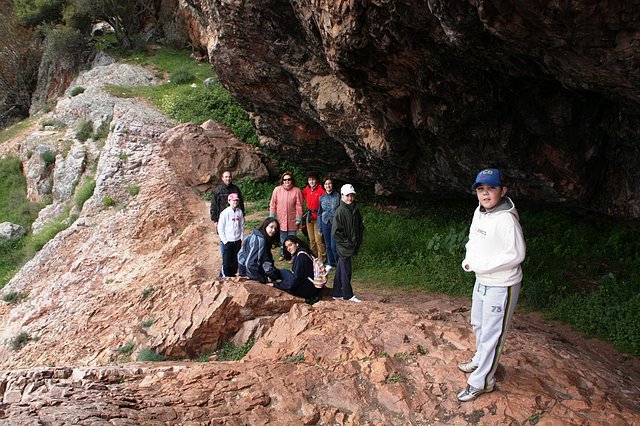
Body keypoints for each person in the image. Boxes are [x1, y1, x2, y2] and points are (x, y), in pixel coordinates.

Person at [456, 168, 526, 402]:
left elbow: (516, 254)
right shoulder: (480, 212)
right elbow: (473, 240)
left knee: (493, 335)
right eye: (481, 189)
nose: (485, 194)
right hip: (482, 280)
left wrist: (483, 265)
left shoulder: (506, 219)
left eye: (491, 189)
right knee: (478, 323)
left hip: (501, 285)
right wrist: (469, 259)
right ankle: (479, 360)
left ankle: (482, 382)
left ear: (502, 190)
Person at [331, 184, 364, 303]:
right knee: (346, 270)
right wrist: (348, 243)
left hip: (352, 243)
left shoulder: (354, 208)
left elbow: (359, 225)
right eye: (347, 195)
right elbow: (336, 232)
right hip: (344, 245)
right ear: (342, 196)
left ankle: (336, 292)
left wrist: (359, 239)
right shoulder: (340, 211)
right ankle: (348, 295)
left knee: (341, 268)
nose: (350, 198)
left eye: (352, 195)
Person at [269, 171, 303, 261]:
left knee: (292, 240)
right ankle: (284, 254)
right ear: (282, 181)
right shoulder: (277, 190)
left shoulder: (297, 191)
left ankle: (293, 256)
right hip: (281, 219)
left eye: (289, 179)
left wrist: (298, 218)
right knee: (283, 239)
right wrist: (272, 217)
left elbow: (299, 206)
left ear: (292, 180)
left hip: (292, 220)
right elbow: (273, 204)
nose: (287, 181)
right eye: (285, 180)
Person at [238, 218, 282, 284]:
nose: (273, 230)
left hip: (247, 268)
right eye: (271, 227)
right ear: (265, 226)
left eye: (275, 229)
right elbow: (250, 264)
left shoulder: (258, 234)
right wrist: (263, 279)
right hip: (248, 271)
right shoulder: (260, 240)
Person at [217, 193, 244, 277]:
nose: (235, 202)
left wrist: (242, 238)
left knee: (235, 260)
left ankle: (232, 275)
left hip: (237, 240)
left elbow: (242, 226)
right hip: (228, 240)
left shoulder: (239, 212)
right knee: (226, 260)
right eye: (233, 200)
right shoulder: (224, 213)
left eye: (237, 200)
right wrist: (225, 240)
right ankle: (225, 276)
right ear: (229, 201)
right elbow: (220, 228)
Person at [302, 171, 326, 262]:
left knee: (318, 239)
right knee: (311, 239)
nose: (311, 182)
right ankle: (314, 257)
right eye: (309, 180)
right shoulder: (307, 189)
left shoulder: (321, 190)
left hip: (318, 218)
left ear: (316, 180)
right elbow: (303, 195)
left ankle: (322, 259)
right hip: (309, 217)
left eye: (313, 179)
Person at [317, 176, 340, 271]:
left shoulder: (338, 196)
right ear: (324, 186)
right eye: (326, 184)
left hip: (335, 223)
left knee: (334, 245)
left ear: (332, 185)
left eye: (329, 183)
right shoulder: (322, 198)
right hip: (325, 222)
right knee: (328, 245)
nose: (328, 185)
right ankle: (331, 263)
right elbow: (319, 213)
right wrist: (319, 228)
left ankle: (339, 264)